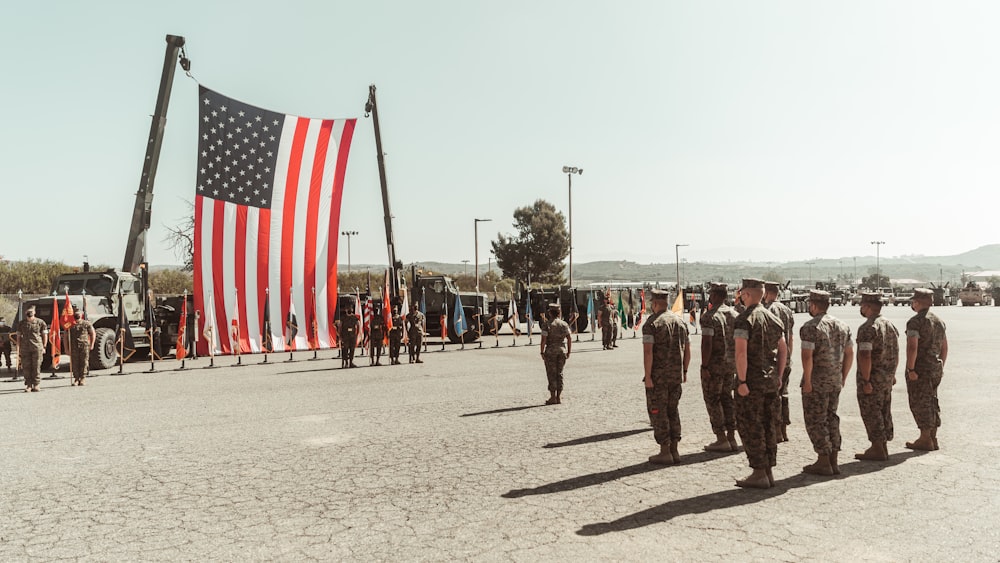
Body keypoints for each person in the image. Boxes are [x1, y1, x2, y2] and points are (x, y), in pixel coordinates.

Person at [733, 278, 787, 488]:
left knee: (751, 426)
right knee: (768, 426)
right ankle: (768, 470)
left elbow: (741, 354)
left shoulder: (744, 319)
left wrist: (743, 381)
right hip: (771, 383)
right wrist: (780, 375)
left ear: (746, 295)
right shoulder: (774, 319)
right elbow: (783, 349)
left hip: (752, 383)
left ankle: (758, 472)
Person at [799, 290, 854, 476]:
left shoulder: (810, 327)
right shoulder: (842, 326)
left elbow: (807, 357)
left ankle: (823, 460)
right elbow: (849, 354)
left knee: (816, 420)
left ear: (813, 305)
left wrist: (807, 381)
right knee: (831, 417)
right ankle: (833, 460)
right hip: (835, 380)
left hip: (816, 382)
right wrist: (843, 377)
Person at [642, 289, 691, 464]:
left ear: (654, 303)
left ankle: (664, 450)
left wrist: (648, 376)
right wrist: (684, 371)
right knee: (673, 410)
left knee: (658, 412)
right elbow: (687, 350)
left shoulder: (652, 323)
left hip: (658, 377)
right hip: (675, 376)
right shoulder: (680, 321)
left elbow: (648, 353)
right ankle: (674, 450)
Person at [854, 291, 900, 461]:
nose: (861, 308)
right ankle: (883, 445)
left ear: (868, 307)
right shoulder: (889, 325)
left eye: (862, 305)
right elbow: (896, 352)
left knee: (871, 411)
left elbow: (865, 356)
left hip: (872, 378)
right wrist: (893, 374)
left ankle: (877, 447)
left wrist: (866, 380)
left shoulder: (868, 328)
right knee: (884, 410)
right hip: (886, 378)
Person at [904, 287, 948, 451]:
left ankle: (925, 438)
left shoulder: (915, 322)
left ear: (916, 302)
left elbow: (912, 347)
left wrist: (911, 368)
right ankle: (932, 438)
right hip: (935, 367)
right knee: (932, 401)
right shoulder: (939, 321)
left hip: (920, 369)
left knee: (920, 402)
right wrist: (940, 364)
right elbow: (944, 347)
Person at [699, 283, 739, 453]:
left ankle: (721, 438)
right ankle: (731, 437)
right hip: (731, 365)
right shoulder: (735, 315)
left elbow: (707, 342)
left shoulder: (709, 317)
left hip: (714, 366)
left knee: (713, 400)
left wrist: (704, 365)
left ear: (714, 296)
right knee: (727, 399)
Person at [764, 281, 795, 442]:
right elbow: (790, 337)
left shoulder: (768, 310)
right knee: (784, 393)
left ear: (767, 293)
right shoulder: (787, 310)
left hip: (774, 359)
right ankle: (783, 430)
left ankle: (775, 430)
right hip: (787, 358)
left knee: (773, 396)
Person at [539, 303, 572, 405]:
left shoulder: (547, 324)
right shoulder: (564, 324)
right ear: (559, 313)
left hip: (550, 352)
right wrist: (569, 351)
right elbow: (569, 338)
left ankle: (553, 397)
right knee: (559, 373)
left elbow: (543, 340)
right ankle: (558, 397)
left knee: (551, 374)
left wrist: (542, 352)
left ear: (550, 313)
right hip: (562, 351)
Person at [17, 307, 48, 393]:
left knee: (36, 366)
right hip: (25, 348)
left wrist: (44, 347)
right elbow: (19, 336)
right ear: (25, 312)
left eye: (31, 311)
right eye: (28, 311)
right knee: (26, 367)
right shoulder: (21, 323)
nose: (30, 312)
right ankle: (29, 385)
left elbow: (44, 335)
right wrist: (18, 347)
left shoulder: (40, 322)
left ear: (34, 312)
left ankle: (36, 384)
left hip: (37, 347)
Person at [68, 306, 96, 386]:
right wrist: (67, 348)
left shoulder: (86, 323)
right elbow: (66, 336)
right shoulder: (70, 324)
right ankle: (76, 379)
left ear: (81, 314)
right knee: (75, 363)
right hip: (74, 346)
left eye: (78, 313)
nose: (77, 314)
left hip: (84, 345)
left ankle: (83, 378)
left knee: (84, 362)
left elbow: (92, 333)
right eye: (75, 312)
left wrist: (92, 344)